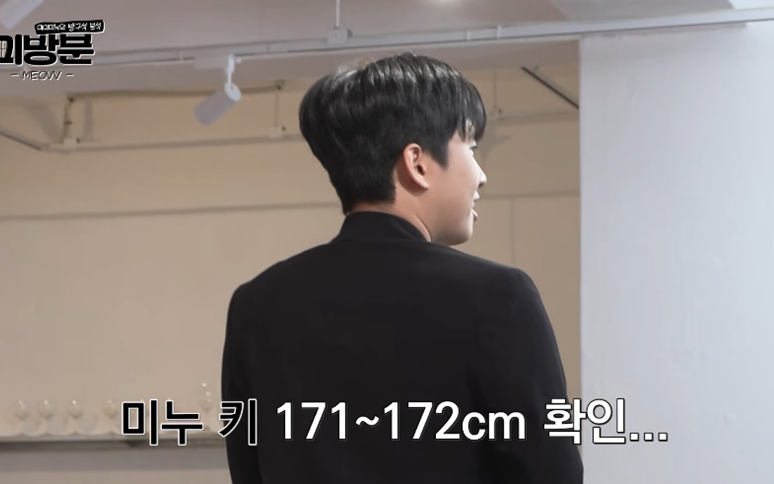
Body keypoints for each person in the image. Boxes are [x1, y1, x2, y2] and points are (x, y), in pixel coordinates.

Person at [220, 52, 583, 484]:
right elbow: (551, 474)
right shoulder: (497, 297)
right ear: (418, 163)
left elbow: (249, 470)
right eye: (470, 147)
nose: (481, 175)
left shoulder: (256, 305)